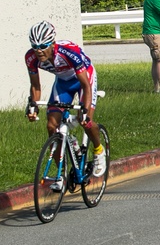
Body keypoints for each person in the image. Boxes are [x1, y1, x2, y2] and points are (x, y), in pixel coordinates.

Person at [24, 21, 106, 178]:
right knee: (51, 126)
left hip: (84, 78)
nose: (39, 51)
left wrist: (84, 108)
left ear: (52, 43)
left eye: (43, 46)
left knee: (85, 120)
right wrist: (33, 105)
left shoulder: (68, 53)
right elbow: (35, 86)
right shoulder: (30, 57)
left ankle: (98, 150)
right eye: (35, 46)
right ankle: (61, 173)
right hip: (63, 82)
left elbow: (86, 86)